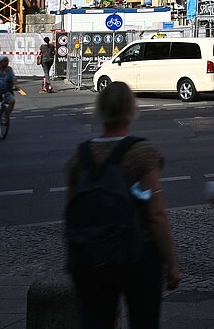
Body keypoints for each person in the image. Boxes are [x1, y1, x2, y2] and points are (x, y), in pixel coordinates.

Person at [66, 81, 179, 329]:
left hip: (90, 256)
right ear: (131, 110)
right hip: (138, 255)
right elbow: (156, 215)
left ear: (100, 110)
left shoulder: (79, 156)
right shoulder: (142, 153)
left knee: (95, 321)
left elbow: (71, 212)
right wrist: (172, 264)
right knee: (144, 321)